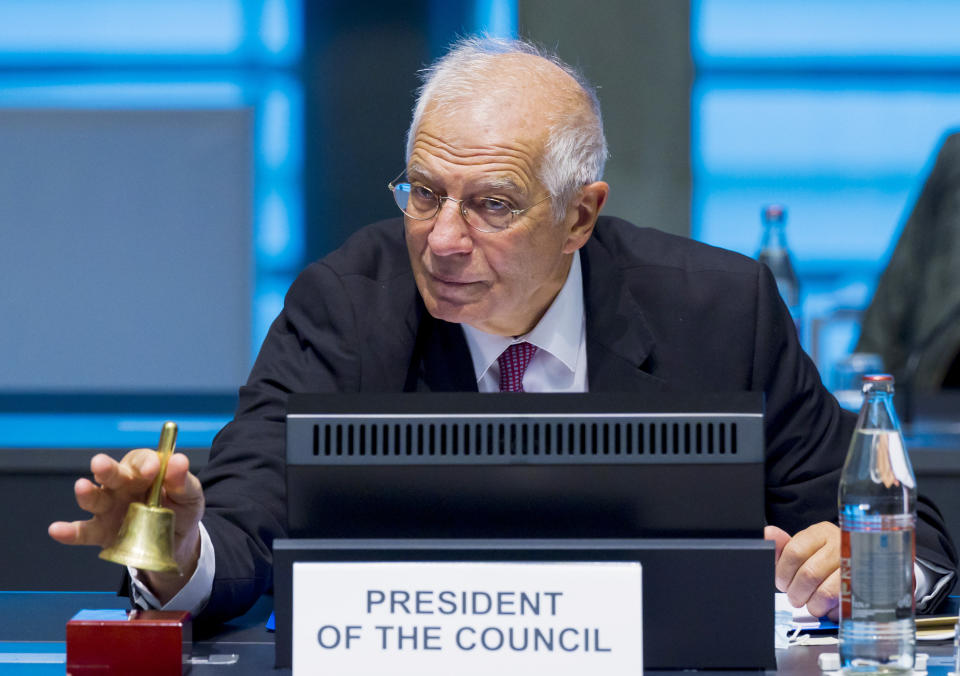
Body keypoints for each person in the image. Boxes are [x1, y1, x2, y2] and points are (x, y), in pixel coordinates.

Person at [49, 36, 957, 626]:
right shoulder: (347, 303)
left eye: (491, 205)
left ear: (579, 216)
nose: (442, 240)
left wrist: (864, 564)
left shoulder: (718, 310)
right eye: (424, 194)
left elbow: (916, 542)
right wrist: (173, 553)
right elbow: (242, 529)